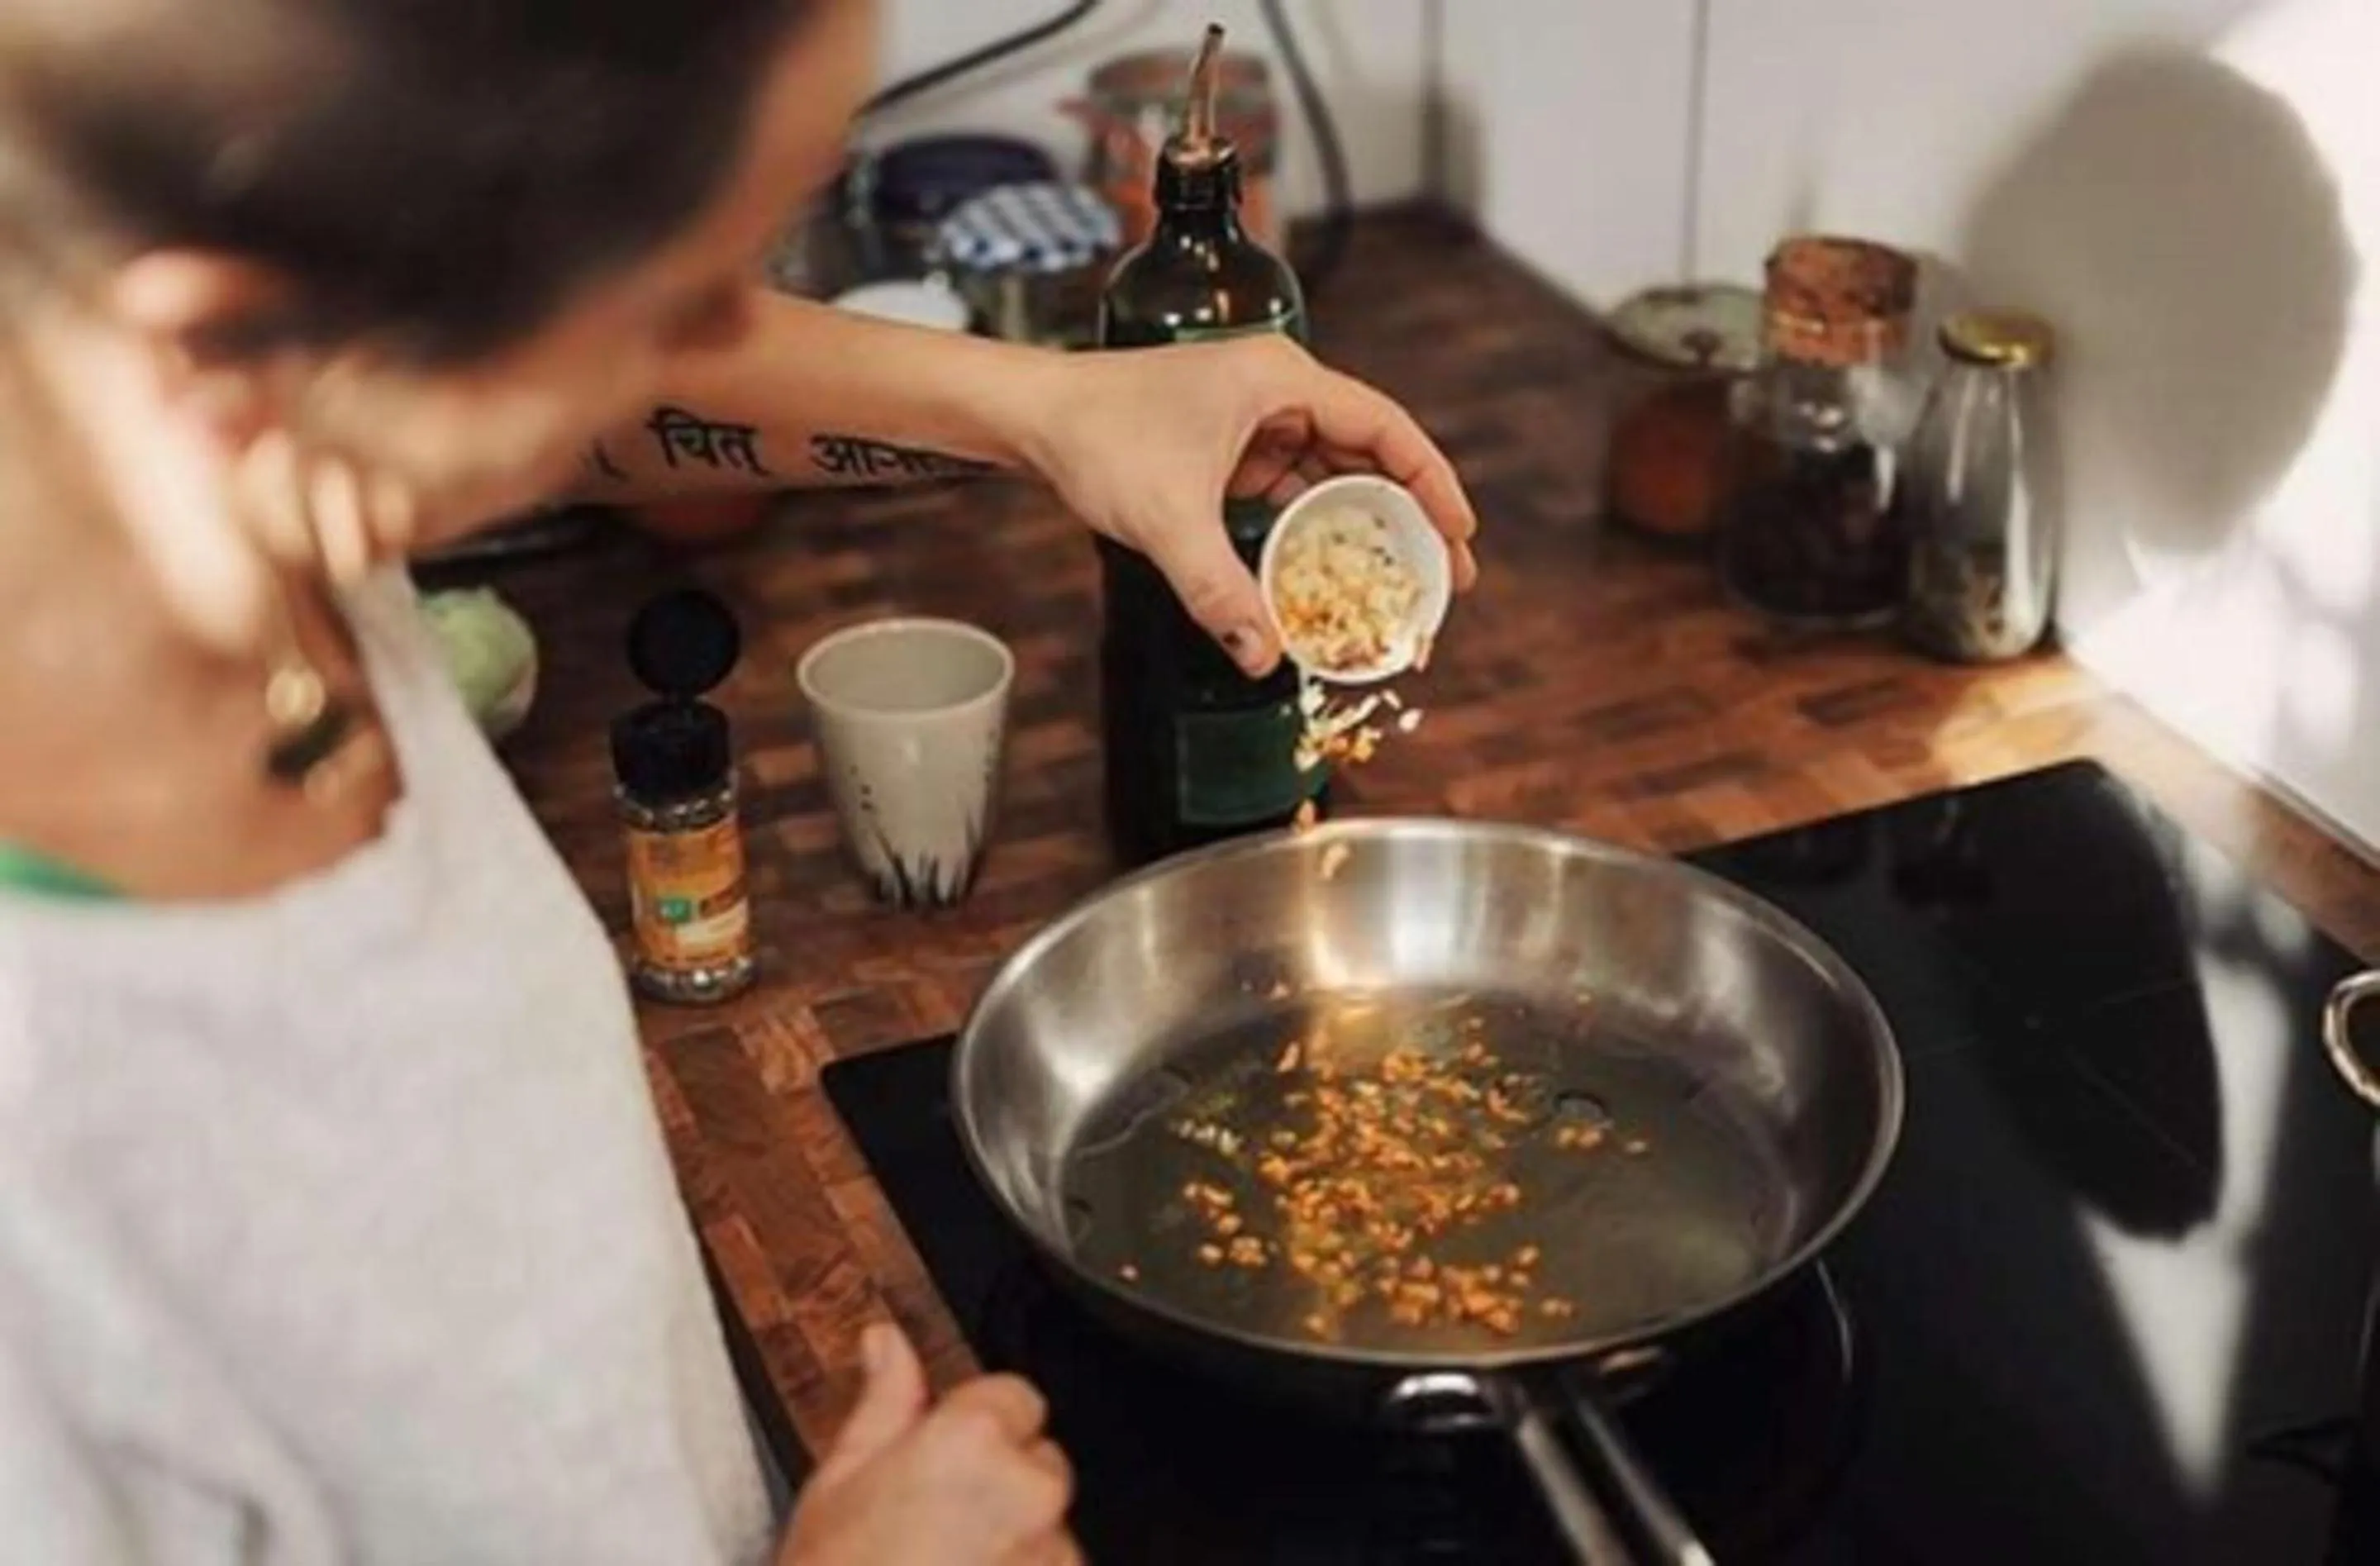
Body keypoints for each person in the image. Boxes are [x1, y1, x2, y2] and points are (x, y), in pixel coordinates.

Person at [0, 0, 1477, 1561]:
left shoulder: (219, 496)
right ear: (230, 345)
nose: (717, 349)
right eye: (687, 294)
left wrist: (1053, 407)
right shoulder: (48, 1145)